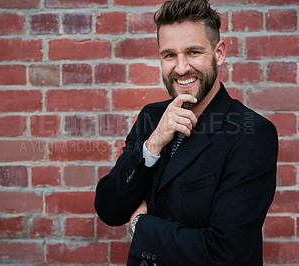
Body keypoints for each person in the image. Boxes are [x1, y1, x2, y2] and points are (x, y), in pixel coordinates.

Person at [94, 0, 278, 265]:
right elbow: (109, 208)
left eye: (193, 52)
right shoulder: (151, 117)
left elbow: (225, 252)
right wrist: (153, 144)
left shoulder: (252, 134)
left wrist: (140, 226)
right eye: (170, 55)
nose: (181, 68)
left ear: (219, 53)